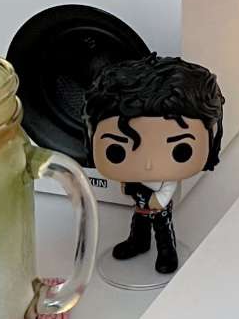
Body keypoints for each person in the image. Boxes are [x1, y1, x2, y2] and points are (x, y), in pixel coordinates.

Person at [85, 56, 225, 275]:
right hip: (140, 199)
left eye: (180, 150)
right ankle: (138, 243)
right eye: (117, 151)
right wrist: (127, 184)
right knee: (138, 223)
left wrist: (156, 201)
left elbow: (167, 190)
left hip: (157, 201)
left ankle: (167, 252)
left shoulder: (165, 177)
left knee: (163, 228)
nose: (149, 164)